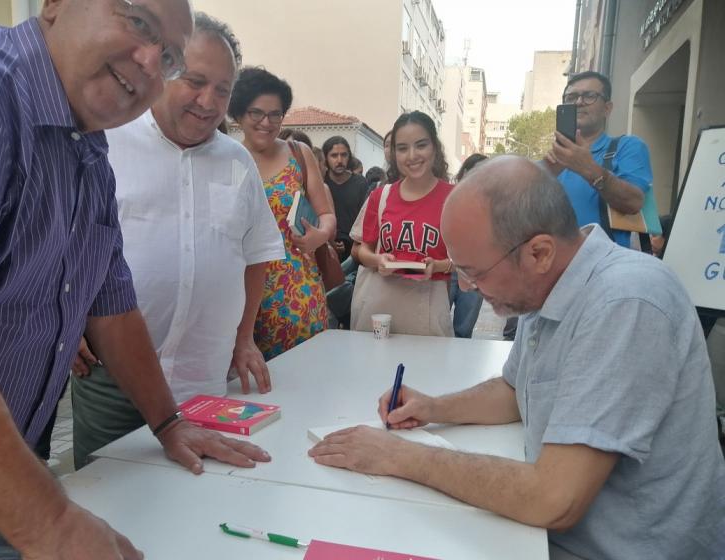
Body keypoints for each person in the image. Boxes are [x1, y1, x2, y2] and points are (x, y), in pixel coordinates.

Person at [0, 2, 272, 559]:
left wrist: (168, 423)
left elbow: (112, 304)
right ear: (55, 4)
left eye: (166, 56)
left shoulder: (87, 151)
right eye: (137, 22)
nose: (146, 61)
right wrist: (53, 524)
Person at [310, 156, 725, 560]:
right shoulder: (544, 285)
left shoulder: (626, 301)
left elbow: (554, 499)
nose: (468, 288)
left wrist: (398, 456)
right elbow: (515, 390)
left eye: (476, 271)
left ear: (539, 252)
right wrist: (433, 407)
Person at [70, 13, 285, 470]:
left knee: (197, 504)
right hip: (113, 383)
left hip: (204, 380)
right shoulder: (104, 142)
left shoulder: (237, 162)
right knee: (108, 503)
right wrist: (67, 323)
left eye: (222, 90)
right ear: (164, 70)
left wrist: (244, 339)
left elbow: (255, 255)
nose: (208, 102)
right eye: (195, 81)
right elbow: (57, 246)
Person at [229, 67, 336, 360]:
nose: (267, 122)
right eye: (256, 113)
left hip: (298, 293)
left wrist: (320, 235)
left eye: (275, 114)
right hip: (241, 297)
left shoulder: (298, 153)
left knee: (308, 376)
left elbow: (326, 214)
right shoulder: (226, 160)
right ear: (239, 114)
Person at [349, 111, 455, 336]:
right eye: (403, 148)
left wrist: (438, 266)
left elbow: (468, 262)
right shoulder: (380, 196)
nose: (412, 155)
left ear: (434, 147)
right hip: (379, 312)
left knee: (426, 370)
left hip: (428, 312)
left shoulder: (455, 198)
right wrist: (378, 259)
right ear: (393, 153)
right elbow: (359, 249)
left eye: (421, 145)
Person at [545, 71, 652, 248]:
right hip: (554, 265)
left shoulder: (627, 147)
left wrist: (589, 169)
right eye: (571, 97)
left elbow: (633, 202)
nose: (579, 102)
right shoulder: (554, 159)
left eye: (589, 96)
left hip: (606, 264)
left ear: (607, 108)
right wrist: (545, 172)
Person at [450, 153, 487, 338]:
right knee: (435, 327)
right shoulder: (446, 198)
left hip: (475, 274)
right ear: (464, 172)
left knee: (463, 331)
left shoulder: (492, 204)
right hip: (445, 271)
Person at [323, 135, 370, 261]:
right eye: (334, 155)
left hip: (353, 251)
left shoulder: (360, 183)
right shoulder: (320, 182)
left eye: (344, 155)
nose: (339, 160)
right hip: (324, 247)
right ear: (326, 158)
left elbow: (364, 219)